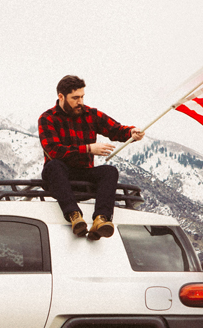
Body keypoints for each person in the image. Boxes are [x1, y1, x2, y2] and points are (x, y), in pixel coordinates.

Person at [38, 75, 144, 240]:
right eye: (75, 98)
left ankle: (101, 220)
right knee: (54, 166)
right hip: (59, 175)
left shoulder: (91, 114)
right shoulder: (47, 119)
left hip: (84, 172)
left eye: (82, 97)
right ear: (61, 96)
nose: (80, 101)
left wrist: (131, 132)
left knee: (109, 171)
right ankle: (74, 216)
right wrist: (88, 149)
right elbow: (54, 151)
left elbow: (115, 130)